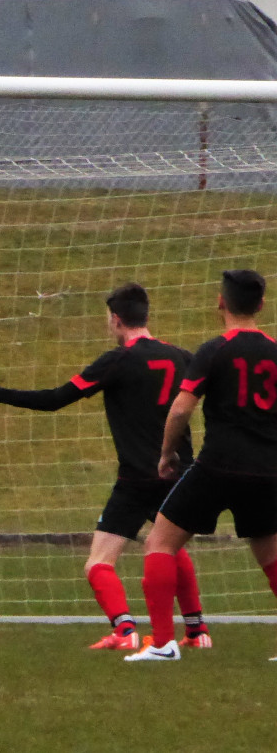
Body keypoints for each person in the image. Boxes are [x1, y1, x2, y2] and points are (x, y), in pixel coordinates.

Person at [0, 283, 210, 651]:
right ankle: (196, 632)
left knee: (99, 562)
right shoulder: (183, 358)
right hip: (179, 475)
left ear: (115, 320)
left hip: (136, 480)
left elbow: (55, 400)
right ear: (146, 315)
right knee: (170, 550)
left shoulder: (117, 361)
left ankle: (125, 631)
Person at [127, 269, 277, 661]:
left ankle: (162, 644)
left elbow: (181, 409)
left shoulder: (215, 349)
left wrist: (166, 453)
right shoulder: (276, 350)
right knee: (272, 557)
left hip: (218, 466)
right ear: (261, 304)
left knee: (159, 543)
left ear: (221, 302)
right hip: (267, 470)